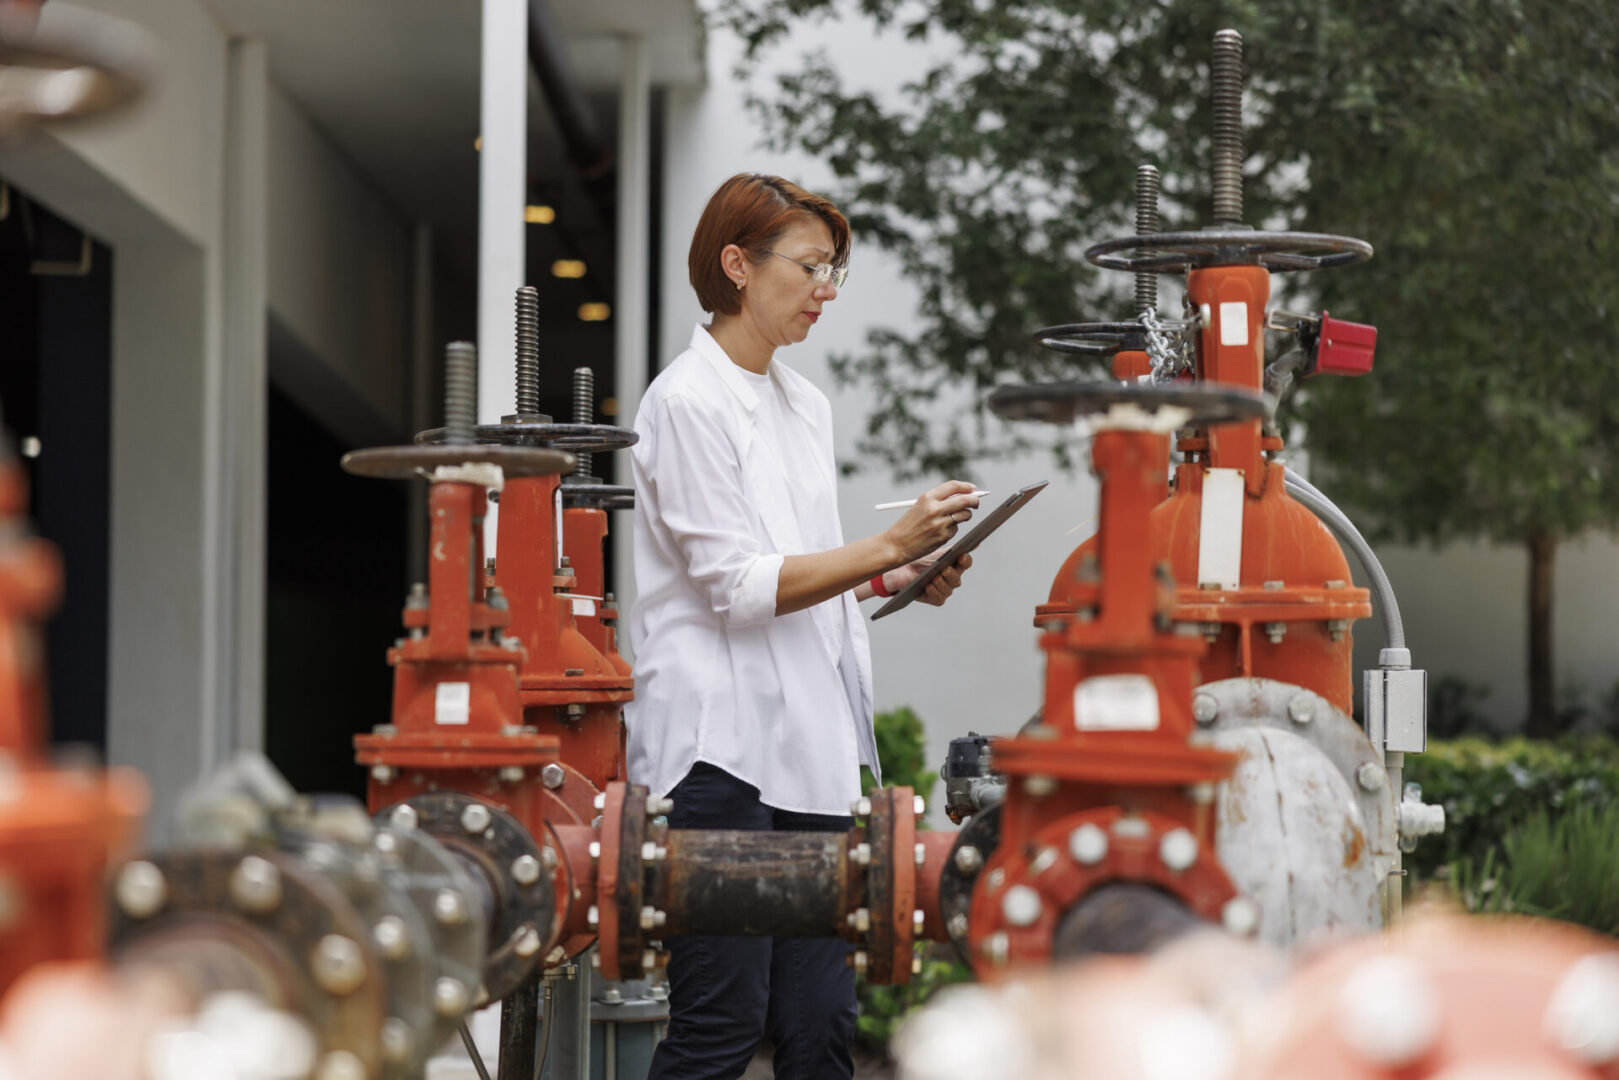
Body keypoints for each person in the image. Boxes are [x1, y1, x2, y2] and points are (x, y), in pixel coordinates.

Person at [625, 172, 979, 1080]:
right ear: (736, 264)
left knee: (822, 1028)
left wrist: (898, 570)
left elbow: (799, 569)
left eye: (835, 271)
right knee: (719, 1028)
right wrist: (880, 545)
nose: (826, 290)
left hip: (809, 753)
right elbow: (737, 587)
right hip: (721, 756)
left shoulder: (802, 403)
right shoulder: (685, 401)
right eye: (811, 267)